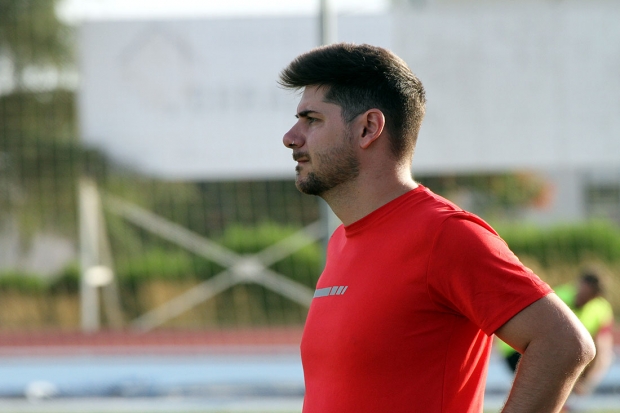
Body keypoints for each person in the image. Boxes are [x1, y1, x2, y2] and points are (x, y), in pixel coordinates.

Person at [278, 43, 595, 413]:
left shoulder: (445, 235)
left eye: (311, 120)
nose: (291, 137)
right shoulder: (341, 241)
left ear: (368, 128)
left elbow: (563, 343)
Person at [499, 272, 615, 397]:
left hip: (556, 352)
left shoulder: (601, 309)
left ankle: (574, 390)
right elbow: (543, 334)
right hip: (517, 349)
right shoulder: (558, 297)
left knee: (600, 352)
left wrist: (586, 380)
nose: (584, 297)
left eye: (590, 295)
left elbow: (603, 347)